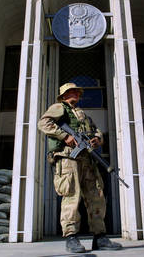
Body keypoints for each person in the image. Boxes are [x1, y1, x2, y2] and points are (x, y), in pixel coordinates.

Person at [38, 83, 122, 253]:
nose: (75, 93)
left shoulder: (83, 115)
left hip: (87, 160)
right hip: (69, 159)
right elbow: (43, 123)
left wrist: (97, 139)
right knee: (71, 197)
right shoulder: (58, 107)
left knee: (96, 196)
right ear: (63, 95)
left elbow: (96, 131)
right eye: (70, 91)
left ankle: (100, 237)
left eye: (77, 91)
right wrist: (65, 135)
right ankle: (71, 238)